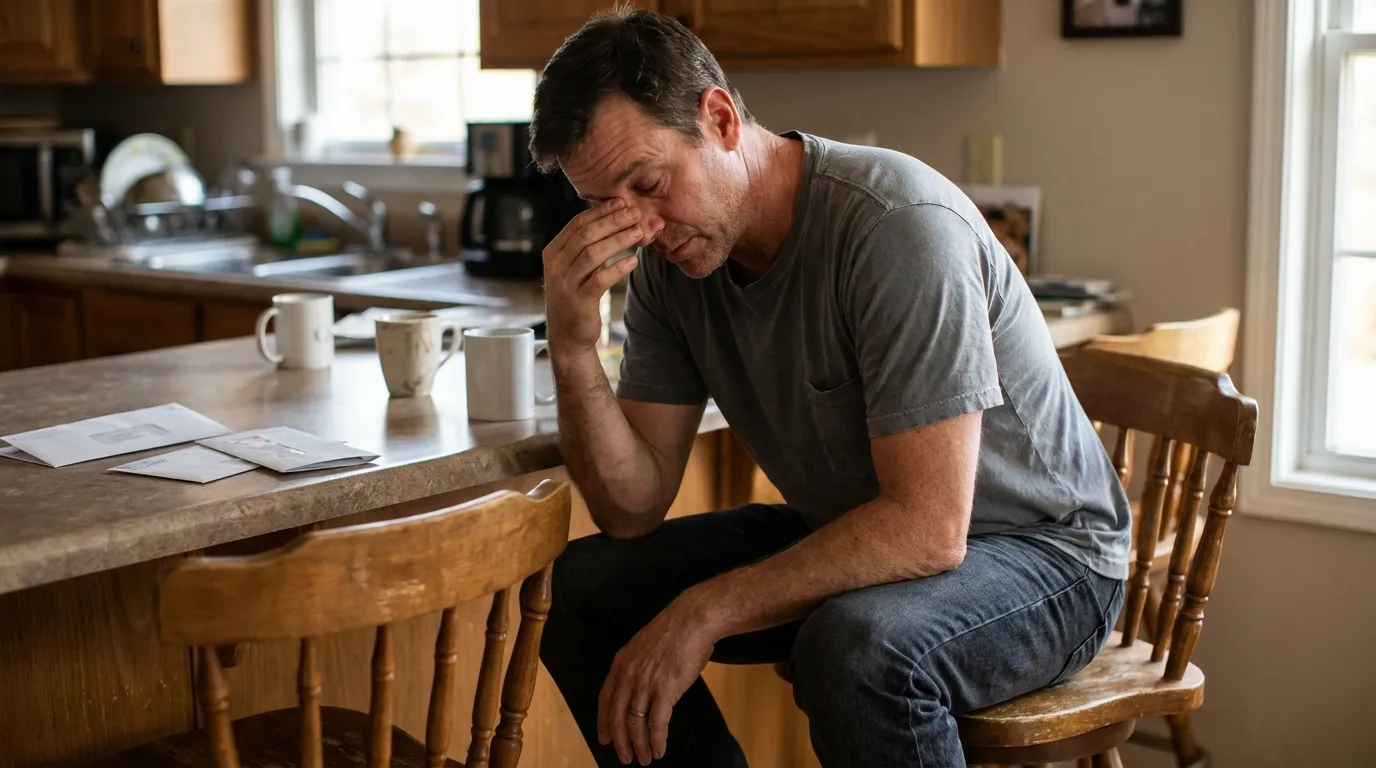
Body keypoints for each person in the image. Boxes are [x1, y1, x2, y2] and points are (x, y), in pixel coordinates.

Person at [529, 8, 1130, 768]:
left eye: (648, 183)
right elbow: (632, 506)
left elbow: (927, 528)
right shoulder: (672, 269)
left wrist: (704, 610)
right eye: (605, 205)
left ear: (718, 118)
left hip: (1047, 557)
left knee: (858, 651)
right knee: (583, 588)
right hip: (863, 530)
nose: (639, 228)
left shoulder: (896, 225)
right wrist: (577, 349)